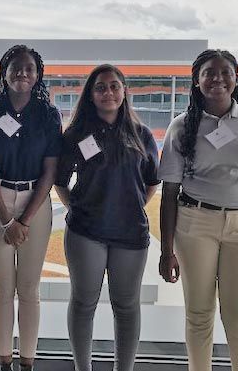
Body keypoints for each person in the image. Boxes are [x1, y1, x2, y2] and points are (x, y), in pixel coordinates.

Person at [158, 49, 238, 371]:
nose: (217, 78)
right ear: (196, 79)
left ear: (236, 79)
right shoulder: (180, 127)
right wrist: (166, 250)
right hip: (194, 225)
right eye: (208, 72)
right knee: (199, 315)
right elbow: (169, 193)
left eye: (225, 72)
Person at [54, 64, 159, 371]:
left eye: (114, 86)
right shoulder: (75, 135)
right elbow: (61, 181)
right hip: (86, 232)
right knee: (84, 303)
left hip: (131, 234)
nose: (108, 92)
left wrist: (130, 205)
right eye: (100, 87)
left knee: (126, 307)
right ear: (91, 94)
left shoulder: (141, 135)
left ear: (124, 91)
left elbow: (152, 182)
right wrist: (78, 207)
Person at [0, 45, 62, 371]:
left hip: (35, 203)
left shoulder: (49, 114)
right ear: (4, 72)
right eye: (16, 67)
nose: (22, 73)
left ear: (37, 74)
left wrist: (23, 220)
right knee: (2, 289)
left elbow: (50, 170)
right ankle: (4, 363)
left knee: (28, 289)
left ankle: (27, 363)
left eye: (29, 68)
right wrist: (6, 218)